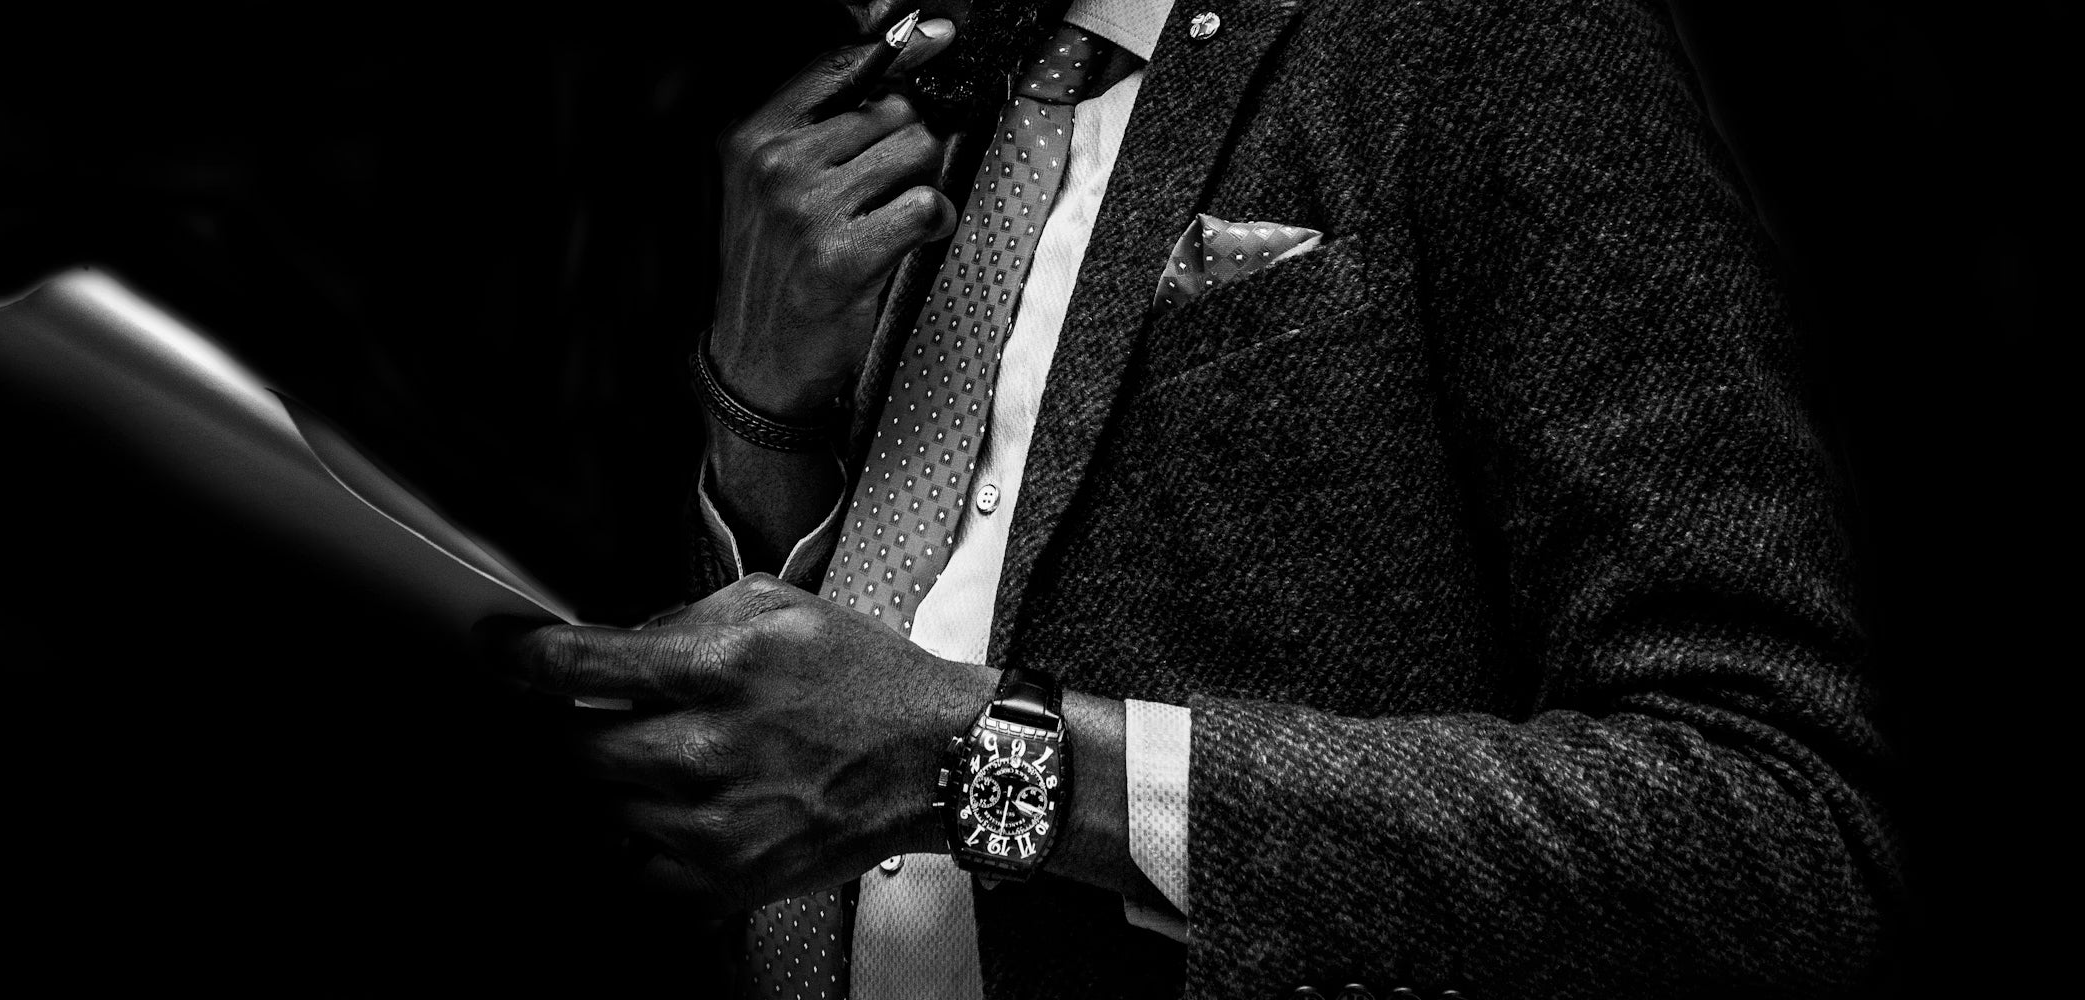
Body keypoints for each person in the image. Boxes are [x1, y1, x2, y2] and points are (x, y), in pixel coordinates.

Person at [485, 0, 1898, 996]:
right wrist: (761, 429)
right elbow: (841, 698)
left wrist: (998, 769)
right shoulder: (920, 128)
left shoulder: (1482, 35)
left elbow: (1778, 839)